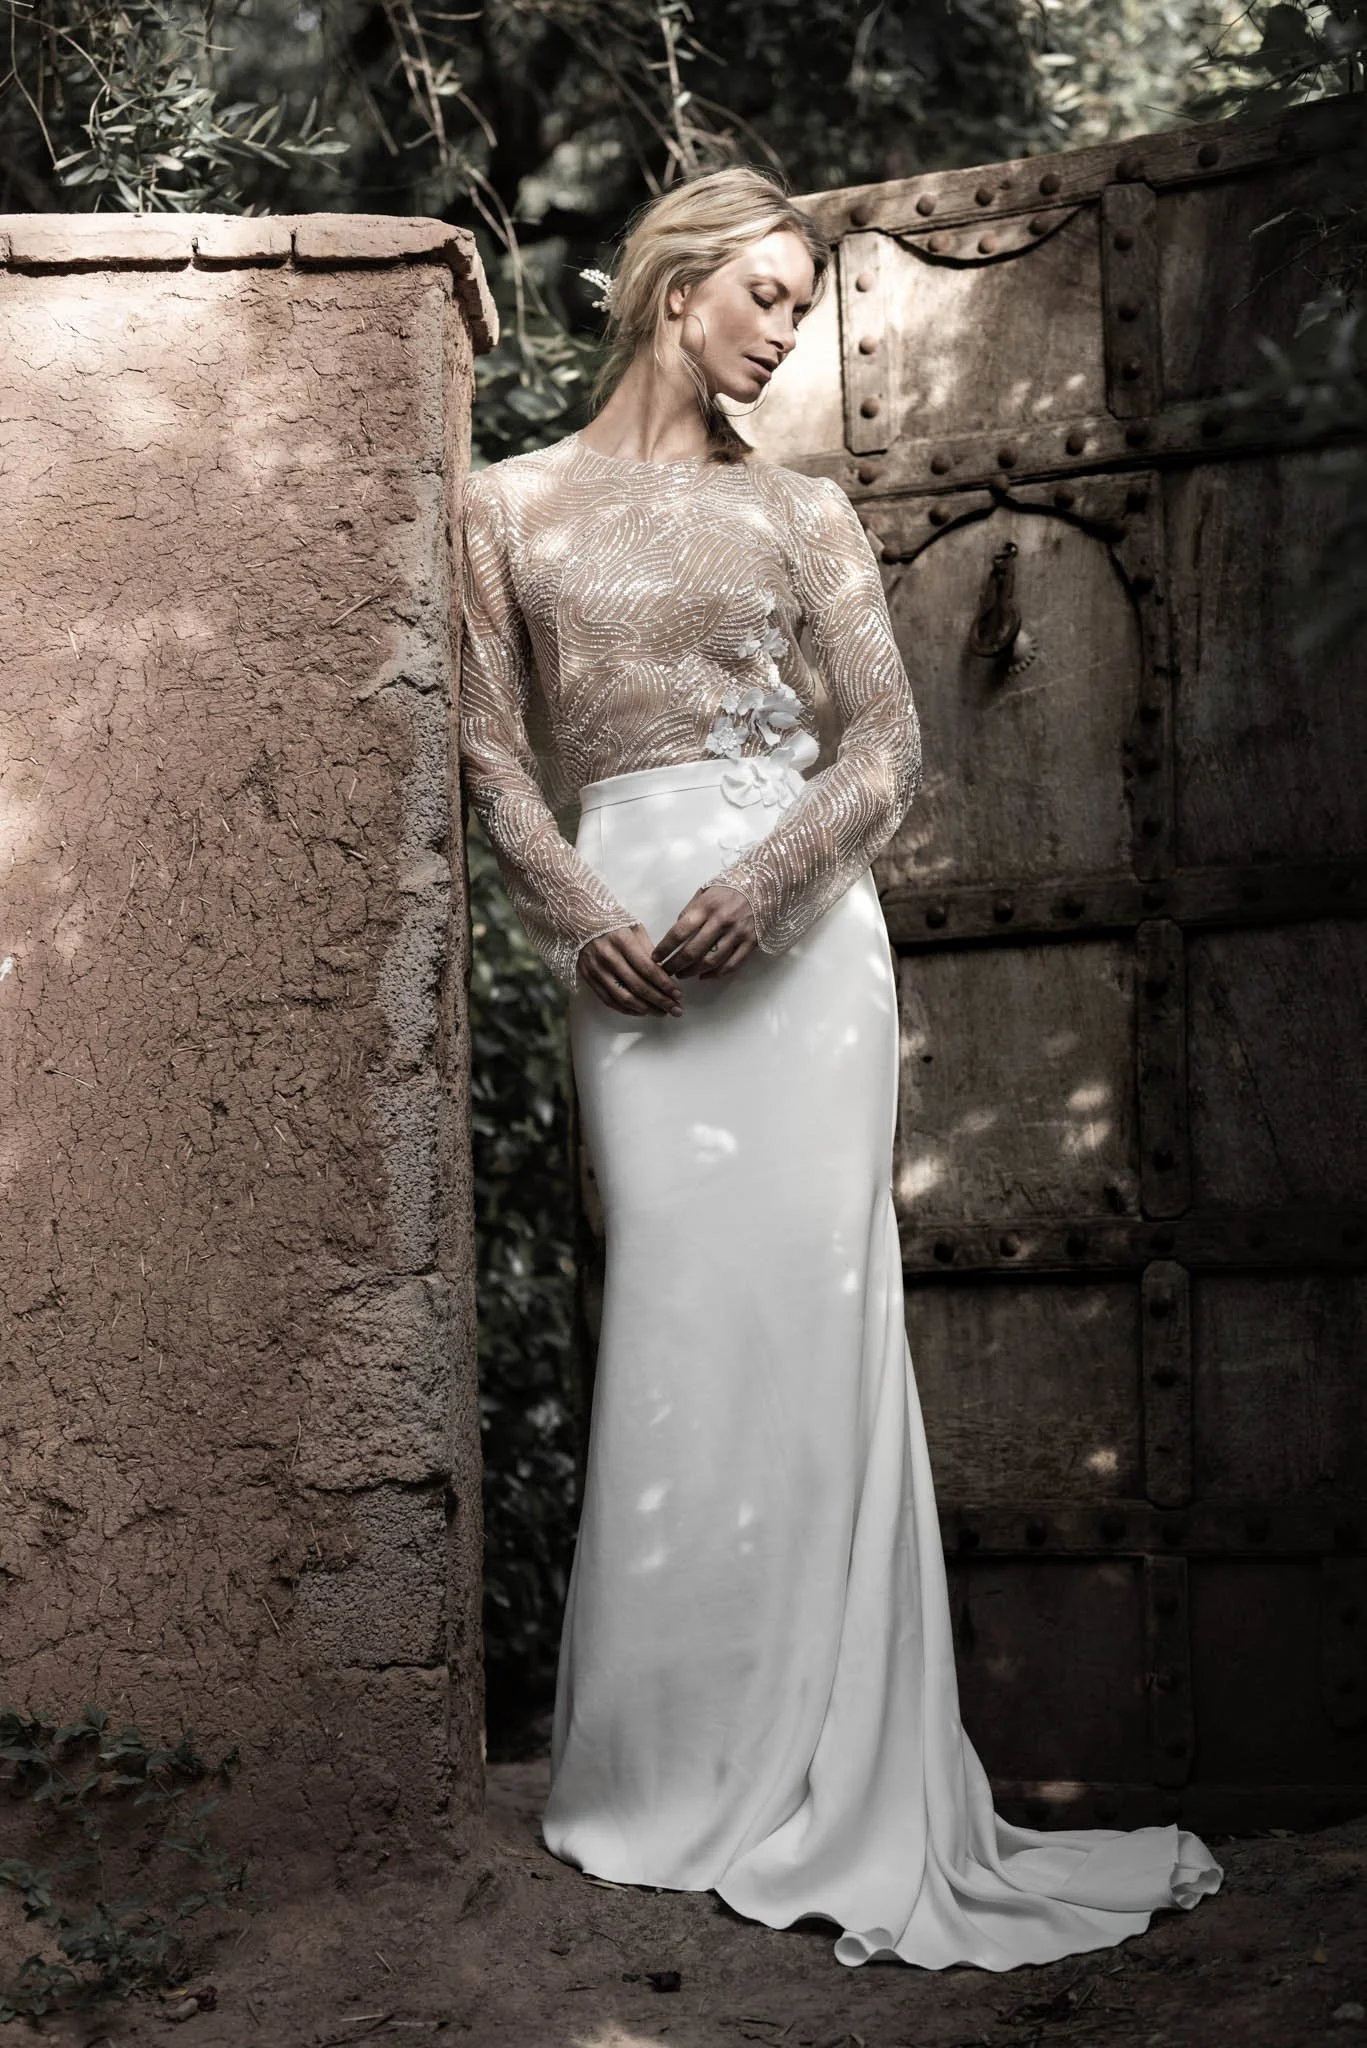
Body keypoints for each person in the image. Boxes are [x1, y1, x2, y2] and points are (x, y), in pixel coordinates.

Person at [458, 165, 1223, 1970]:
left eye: (807, 305)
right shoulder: (502, 506)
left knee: (811, 1331)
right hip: (626, 954)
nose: (793, 330)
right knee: (673, 1320)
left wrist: (761, 889)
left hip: (797, 957)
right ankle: (663, 1764)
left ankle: (831, 1760)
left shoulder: (802, 514)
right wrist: (583, 917)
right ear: (677, 291)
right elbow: (492, 760)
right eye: (773, 296)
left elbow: (883, 752)